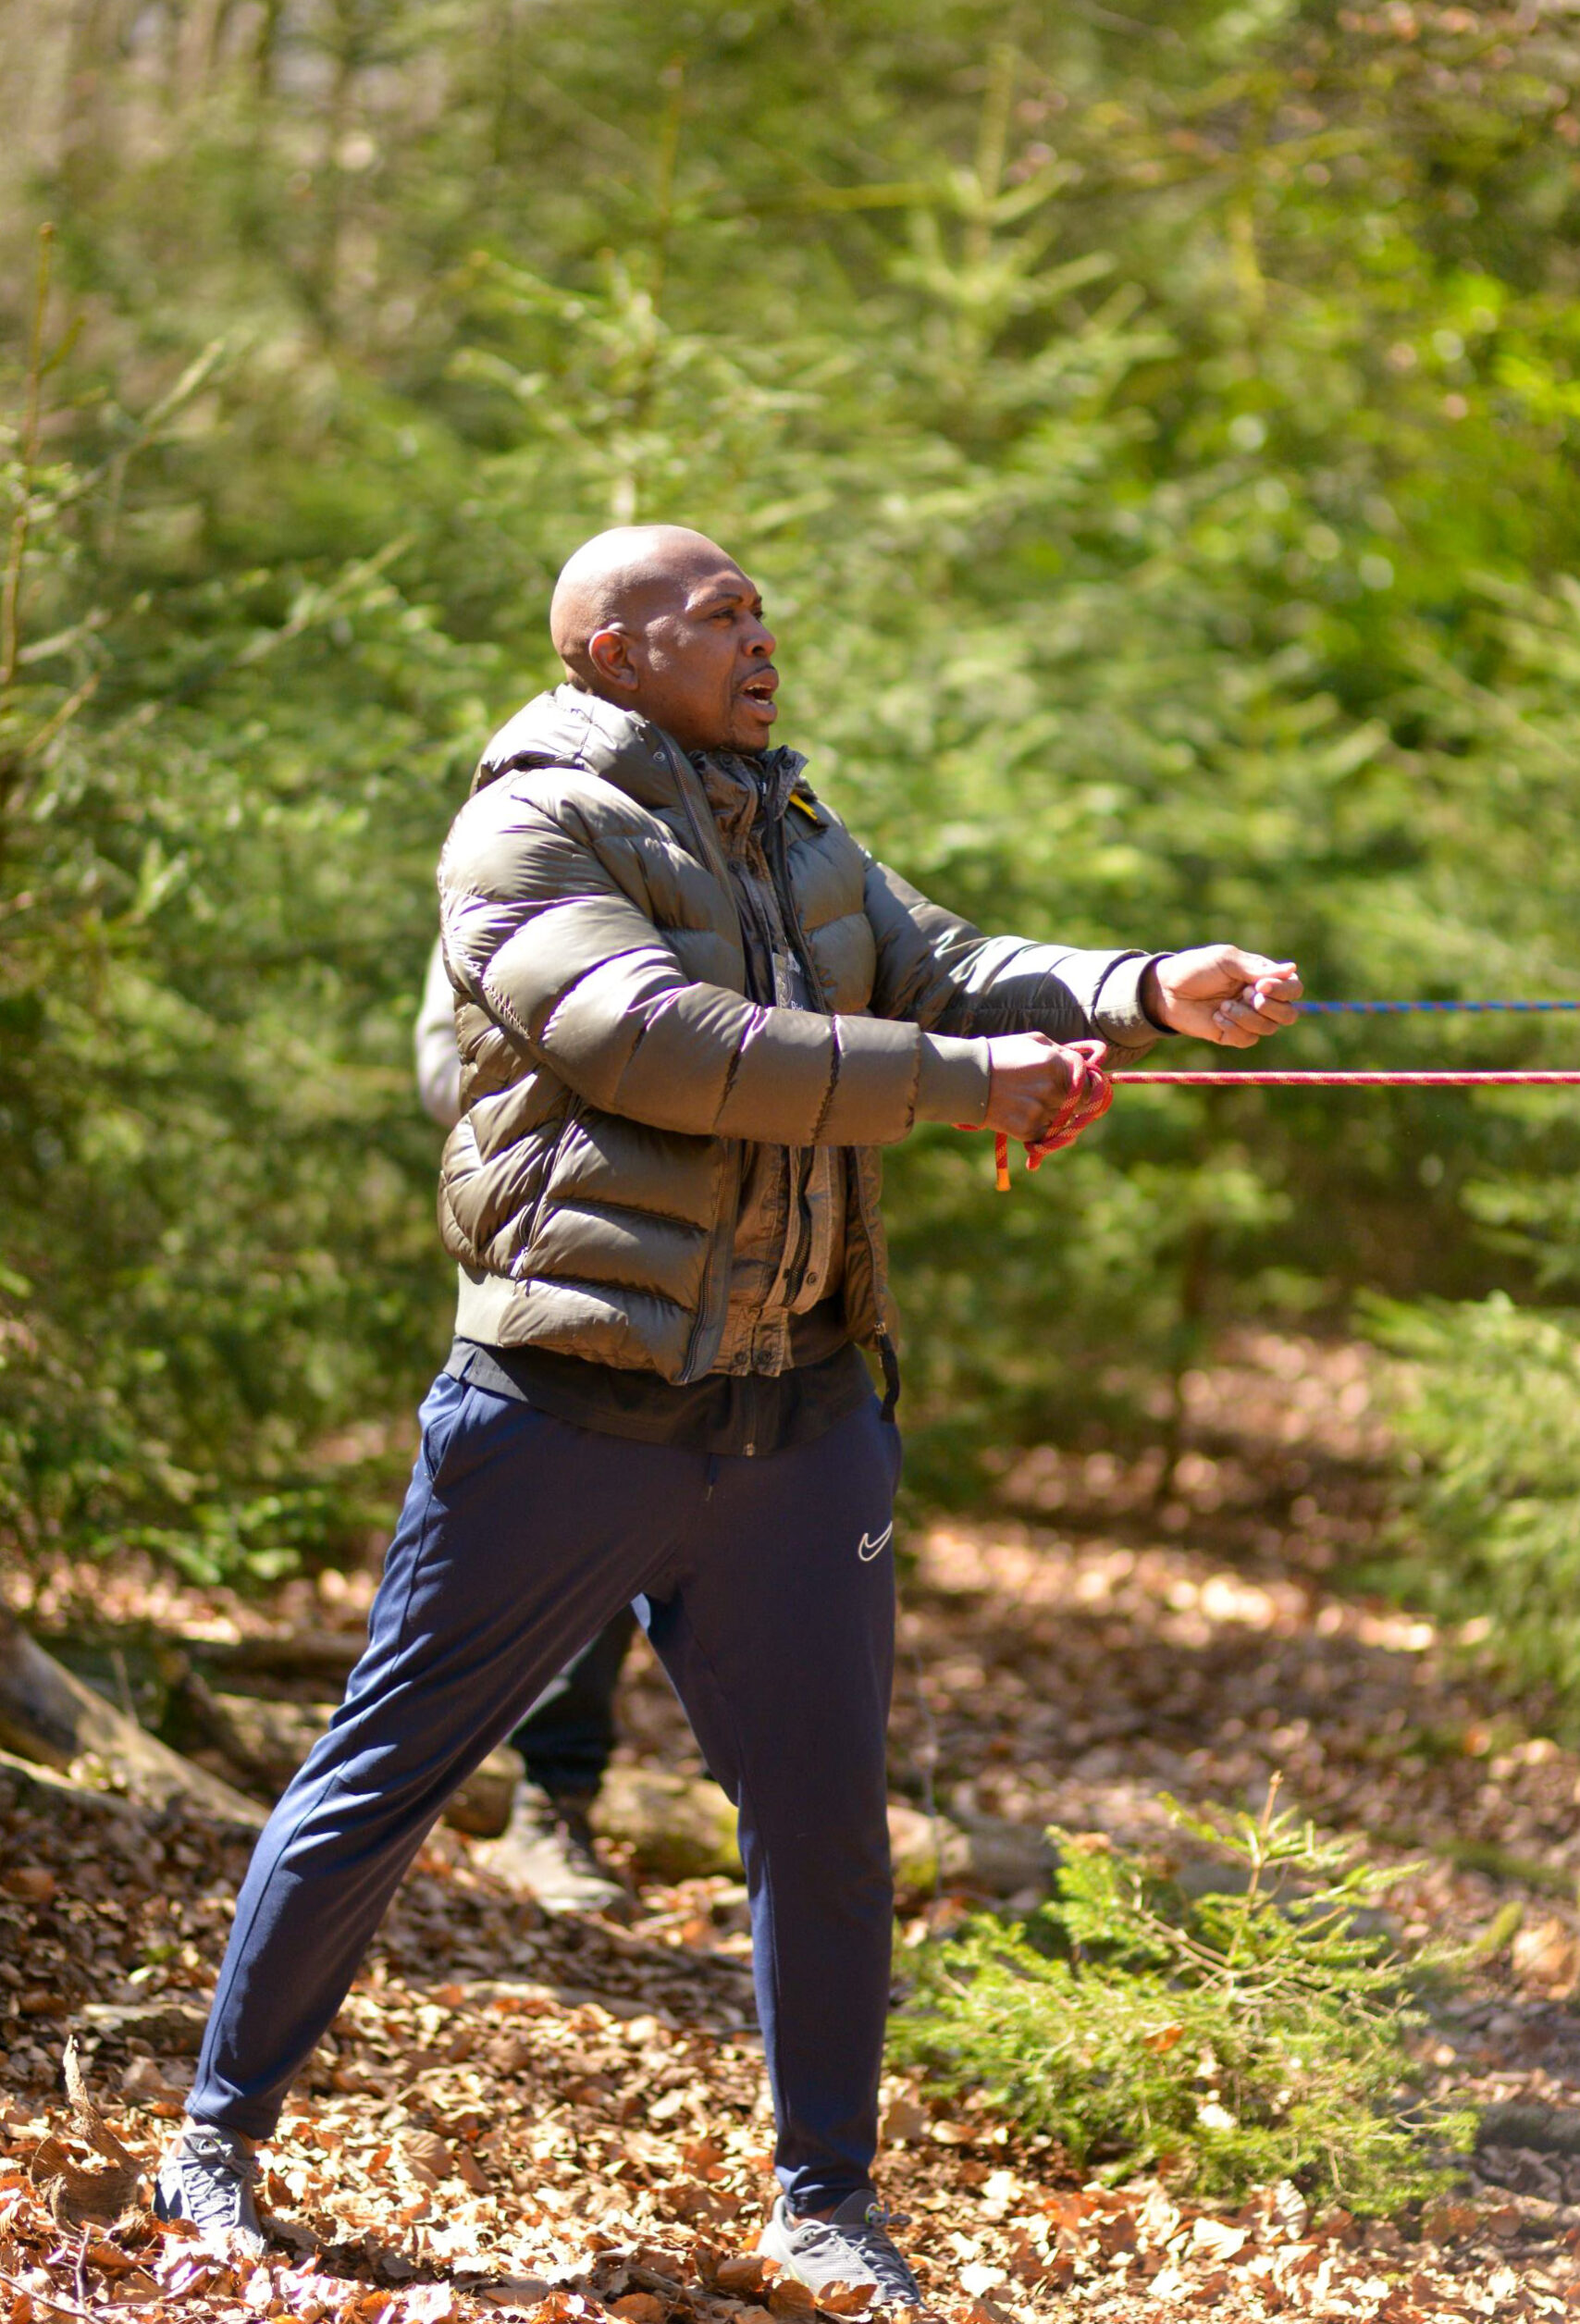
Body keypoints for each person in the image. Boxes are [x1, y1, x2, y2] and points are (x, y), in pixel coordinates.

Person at [156, 525, 1301, 2305]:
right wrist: (954, 1089)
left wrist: (1136, 988)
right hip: (563, 1412)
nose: (758, 631)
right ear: (612, 652)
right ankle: (217, 2142)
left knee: (828, 1830)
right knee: (380, 1781)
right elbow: (659, 1042)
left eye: (761, 605)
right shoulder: (526, 826)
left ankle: (827, 2205)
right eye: (717, 612)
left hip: (801, 1421)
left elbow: (935, 965)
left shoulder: (787, 821)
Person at [415, 942, 636, 1916]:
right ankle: (537, 1808)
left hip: (737, 1323)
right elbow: (442, 1065)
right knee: (538, 1551)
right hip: (550, 1294)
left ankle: (793, 1847)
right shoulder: (520, 849)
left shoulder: (760, 860)